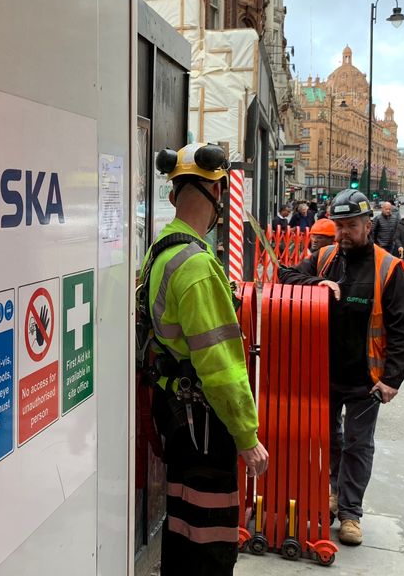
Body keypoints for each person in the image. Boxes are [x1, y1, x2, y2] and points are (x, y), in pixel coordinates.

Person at [147, 142, 268, 575]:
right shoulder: (196, 267)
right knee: (211, 539)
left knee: (183, 526)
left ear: (173, 194)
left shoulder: (162, 247)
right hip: (205, 424)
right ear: (216, 195)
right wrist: (246, 435)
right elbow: (221, 365)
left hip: (178, 416)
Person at [277, 189, 404, 546]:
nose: (343, 234)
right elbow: (284, 277)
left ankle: (350, 513)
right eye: (338, 227)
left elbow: (401, 330)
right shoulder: (324, 259)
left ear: (368, 225)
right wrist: (316, 282)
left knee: (358, 443)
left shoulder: (388, 267)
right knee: (329, 439)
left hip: (366, 378)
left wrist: (392, 379)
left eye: (351, 226)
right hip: (322, 372)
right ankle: (333, 492)